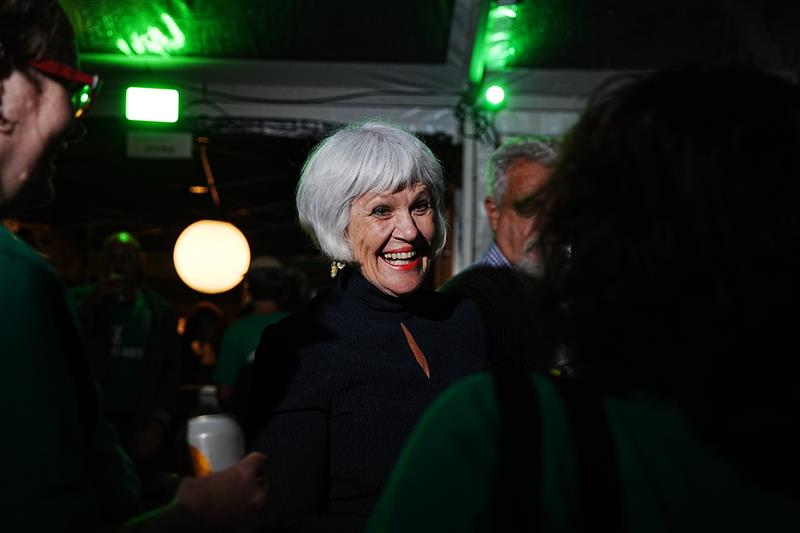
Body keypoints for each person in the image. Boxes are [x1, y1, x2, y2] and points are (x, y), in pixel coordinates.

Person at [366, 67, 800, 532]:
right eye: (530, 207)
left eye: (561, 210)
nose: (547, 227)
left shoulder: (501, 423)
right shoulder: (470, 327)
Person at [0, 1, 265, 530]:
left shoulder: (150, 309)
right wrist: (195, 515)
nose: (76, 127)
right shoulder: (17, 280)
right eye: (74, 91)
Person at [240, 120, 488, 532]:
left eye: (421, 205)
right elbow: (287, 519)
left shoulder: (464, 318)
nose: (409, 231)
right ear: (339, 225)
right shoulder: (300, 347)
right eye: (381, 210)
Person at [439, 138, 561, 373]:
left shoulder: (564, 294)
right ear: (494, 213)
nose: (545, 225)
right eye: (529, 207)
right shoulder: (462, 301)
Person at [70, 231, 180, 472]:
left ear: (141, 262)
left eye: (126, 258)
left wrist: (158, 424)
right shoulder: (78, 300)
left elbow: (169, 372)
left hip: (138, 419)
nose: (117, 265)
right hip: (88, 420)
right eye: (111, 257)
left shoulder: (158, 310)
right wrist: (92, 302)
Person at [214, 256, 295, 410]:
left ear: (249, 288)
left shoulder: (236, 330)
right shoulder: (299, 326)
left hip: (250, 423)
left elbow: (224, 392)